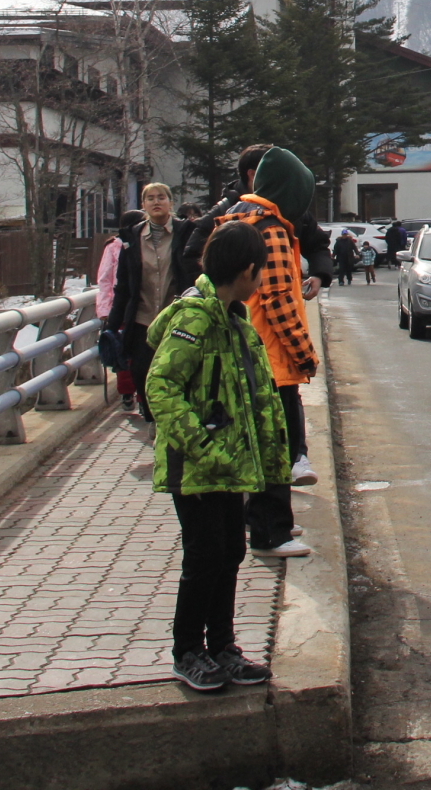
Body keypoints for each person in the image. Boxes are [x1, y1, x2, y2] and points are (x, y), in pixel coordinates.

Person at [143, 220, 285, 693]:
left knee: (230, 552)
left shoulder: (231, 318)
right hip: (199, 470)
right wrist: (202, 446)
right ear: (246, 270)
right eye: (260, 270)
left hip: (229, 468)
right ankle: (188, 651)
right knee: (203, 558)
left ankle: (222, 647)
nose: (261, 278)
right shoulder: (195, 319)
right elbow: (160, 387)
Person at [194, 146, 325, 557]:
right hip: (270, 357)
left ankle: (270, 522)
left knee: (257, 444)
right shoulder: (274, 231)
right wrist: (306, 354)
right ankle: (271, 533)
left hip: (241, 351)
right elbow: (279, 302)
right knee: (276, 446)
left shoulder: (235, 218)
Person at [181, 145, 334, 293]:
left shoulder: (293, 209)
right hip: (243, 309)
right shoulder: (225, 211)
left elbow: (317, 245)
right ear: (253, 175)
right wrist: (222, 297)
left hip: (286, 298)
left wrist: (319, 274)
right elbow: (193, 257)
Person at [108, 184, 181, 417]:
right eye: (150, 198)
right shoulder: (132, 238)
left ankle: (174, 416)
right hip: (142, 317)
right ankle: (151, 416)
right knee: (141, 369)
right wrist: (112, 324)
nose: (156, 202)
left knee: (177, 369)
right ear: (143, 205)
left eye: (161, 197)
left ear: (171, 202)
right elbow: (122, 285)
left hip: (176, 316)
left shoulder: (186, 232)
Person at [94, 210, 142, 325]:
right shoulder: (113, 246)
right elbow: (105, 279)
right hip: (120, 304)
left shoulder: (145, 243)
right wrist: (105, 310)